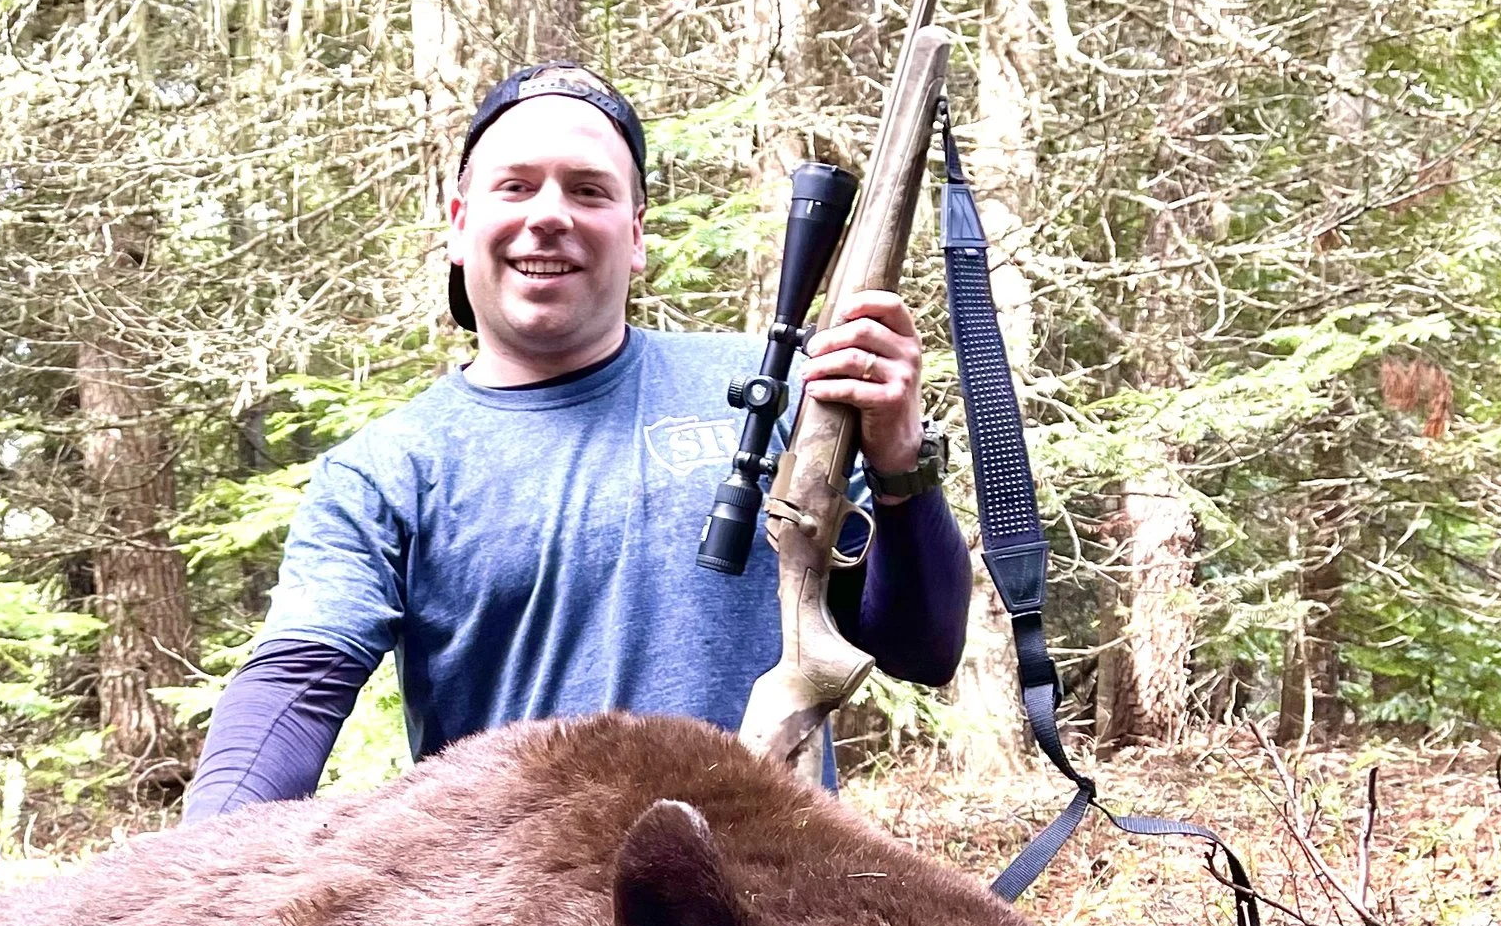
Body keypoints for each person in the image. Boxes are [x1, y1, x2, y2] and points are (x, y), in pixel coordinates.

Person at [184, 64, 970, 818]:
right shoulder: (386, 470)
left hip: (765, 906)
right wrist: (197, 878)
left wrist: (901, 464)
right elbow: (295, 690)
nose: (549, 214)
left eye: (589, 190)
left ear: (634, 237)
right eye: (516, 186)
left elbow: (923, 647)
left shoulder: (791, 393)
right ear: (460, 227)